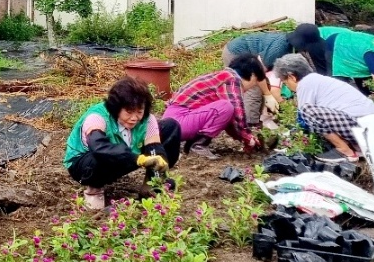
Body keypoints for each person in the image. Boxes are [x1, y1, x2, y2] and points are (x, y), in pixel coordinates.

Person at [64, 76, 182, 209]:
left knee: (170, 127)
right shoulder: (97, 117)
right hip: (85, 163)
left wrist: (158, 166)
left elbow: (154, 148)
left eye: (139, 112)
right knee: (100, 157)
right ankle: (94, 191)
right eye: (129, 112)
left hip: (125, 156)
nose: (134, 118)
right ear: (116, 108)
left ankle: (151, 187)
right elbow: (98, 146)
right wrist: (138, 159)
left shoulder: (147, 119)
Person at [273, 54, 374, 163]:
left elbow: (303, 119)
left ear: (292, 77)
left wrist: (292, 138)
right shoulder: (317, 79)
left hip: (362, 127)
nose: (287, 87)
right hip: (372, 124)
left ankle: (345, 150)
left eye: (285, 83)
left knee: (307, 111)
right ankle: (356, 147)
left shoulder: (305, 84)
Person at [221, 24, 331, 127]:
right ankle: (250, 125)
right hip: (236, 53)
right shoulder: (279, 48)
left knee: (262, 86)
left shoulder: (294, 47)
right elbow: (258, 72)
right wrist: (268, 95)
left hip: (253, 59)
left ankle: (257, 119)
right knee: (254, 87)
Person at [163, 56, 267, 159]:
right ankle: (198, 145)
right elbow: (237, 113)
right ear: (253, 75)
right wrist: (248, 138)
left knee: (227, 108)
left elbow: (230, 120)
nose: (252, 86)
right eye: (255, 82)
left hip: (174, 123)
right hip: (178, 121)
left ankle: (193, 144)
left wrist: (244, 138)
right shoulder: (232, 79)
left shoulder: (223, 76)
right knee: (226, 107)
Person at [319, 25, 374, 92]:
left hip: (340, 43)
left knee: (359, 71)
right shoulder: (370, 49)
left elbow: (361, 70)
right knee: (336, 81)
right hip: (324, 40)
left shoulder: (369, 43)